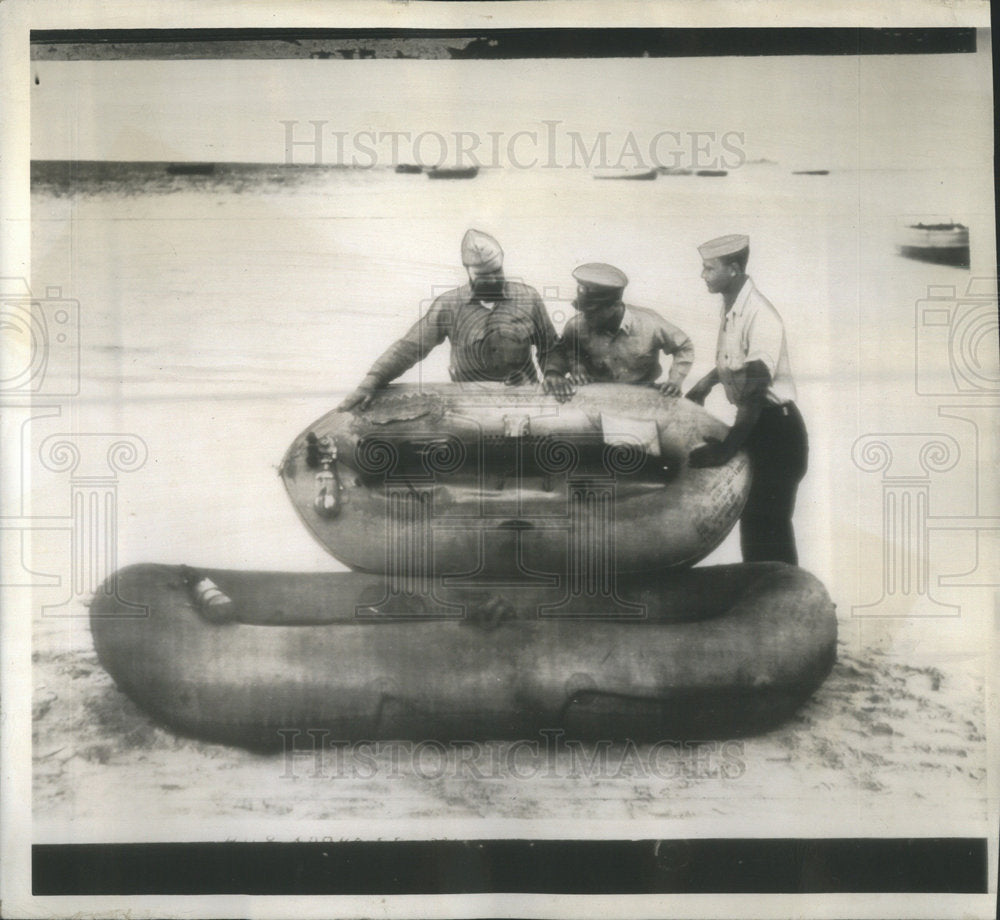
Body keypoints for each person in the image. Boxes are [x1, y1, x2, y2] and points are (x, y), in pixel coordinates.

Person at [686, 234, 808, 565]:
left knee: (769, 521)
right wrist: (705, 384)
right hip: (760, 427)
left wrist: (726, 449)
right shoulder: (733, 308)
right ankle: (761, 595)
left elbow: (754, 390)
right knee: (753, 521)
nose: (703, 275)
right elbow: (734, 360)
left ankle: (785, 599)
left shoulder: (760, 314)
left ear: (735, 269)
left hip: (777, 431)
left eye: (709, 268)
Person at [339, 229, 561, 411]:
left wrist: (553, 373)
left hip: (523, 397)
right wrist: (371, 381)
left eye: (497, 271)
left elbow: (549, 348)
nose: (494, 280)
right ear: (469, 272)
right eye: (484, 276)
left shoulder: (528, 298)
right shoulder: (448, 305)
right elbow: (409, 348)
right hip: (470, 403)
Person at [543, 262, 694, 398]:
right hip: (593, 395)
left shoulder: (649, 323)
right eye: (583, 310)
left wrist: (675, 381)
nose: (585, 316)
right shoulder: (576, 326)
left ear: (614, 306)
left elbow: (684, 346)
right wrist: (557, 372)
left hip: (642, 395)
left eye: (593, 311)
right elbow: (561, 351)